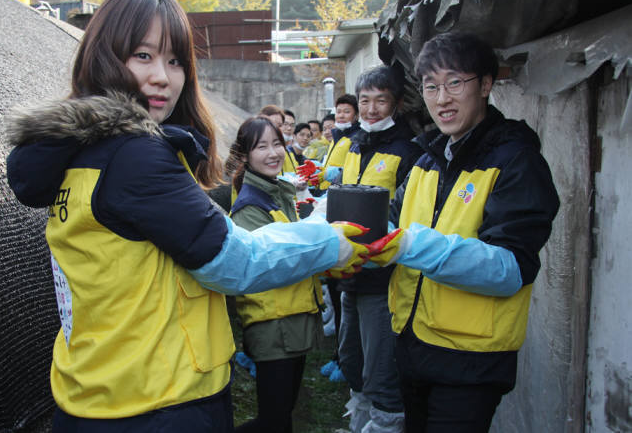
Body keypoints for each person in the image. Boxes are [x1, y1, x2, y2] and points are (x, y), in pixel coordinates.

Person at [4, 0, 375, 432]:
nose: (164, 76)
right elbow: (237, 263)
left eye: (176, 60)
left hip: (95, 395)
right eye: (143, 55)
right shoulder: (134, 156)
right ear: (103, 57)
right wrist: (326, 239)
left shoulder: (79, 153)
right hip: (161, 404)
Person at [367, 32, 560, 432]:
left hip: (470, 361)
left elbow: (510, 269)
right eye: (431, 86)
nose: (442, 99)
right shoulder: (429, 158)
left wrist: (410, 244)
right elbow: (389, 222)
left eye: (455, 82)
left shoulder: (516, 161)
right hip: (412, 343)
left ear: (486, 85)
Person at [333, 66, 423, 433]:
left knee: (380, 368)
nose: (371, 109)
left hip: (384, 277)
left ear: (396, 104)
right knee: (350, 358)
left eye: (380, 100)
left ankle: (385, 423)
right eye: (365, 100)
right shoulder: (355, 143)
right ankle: (360, 421)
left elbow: (409, 214)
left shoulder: (407, 150)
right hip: (350, 270)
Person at [229, 116, 323, 433]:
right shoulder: (249, 207)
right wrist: (321, 243)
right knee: (274, 421)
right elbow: (272, 264)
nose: (273, 153)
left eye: (276, 144)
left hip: (291, 317)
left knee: (282, 415)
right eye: (261, 147)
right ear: (245, 156)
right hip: (272, 324)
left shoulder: (279, 190)